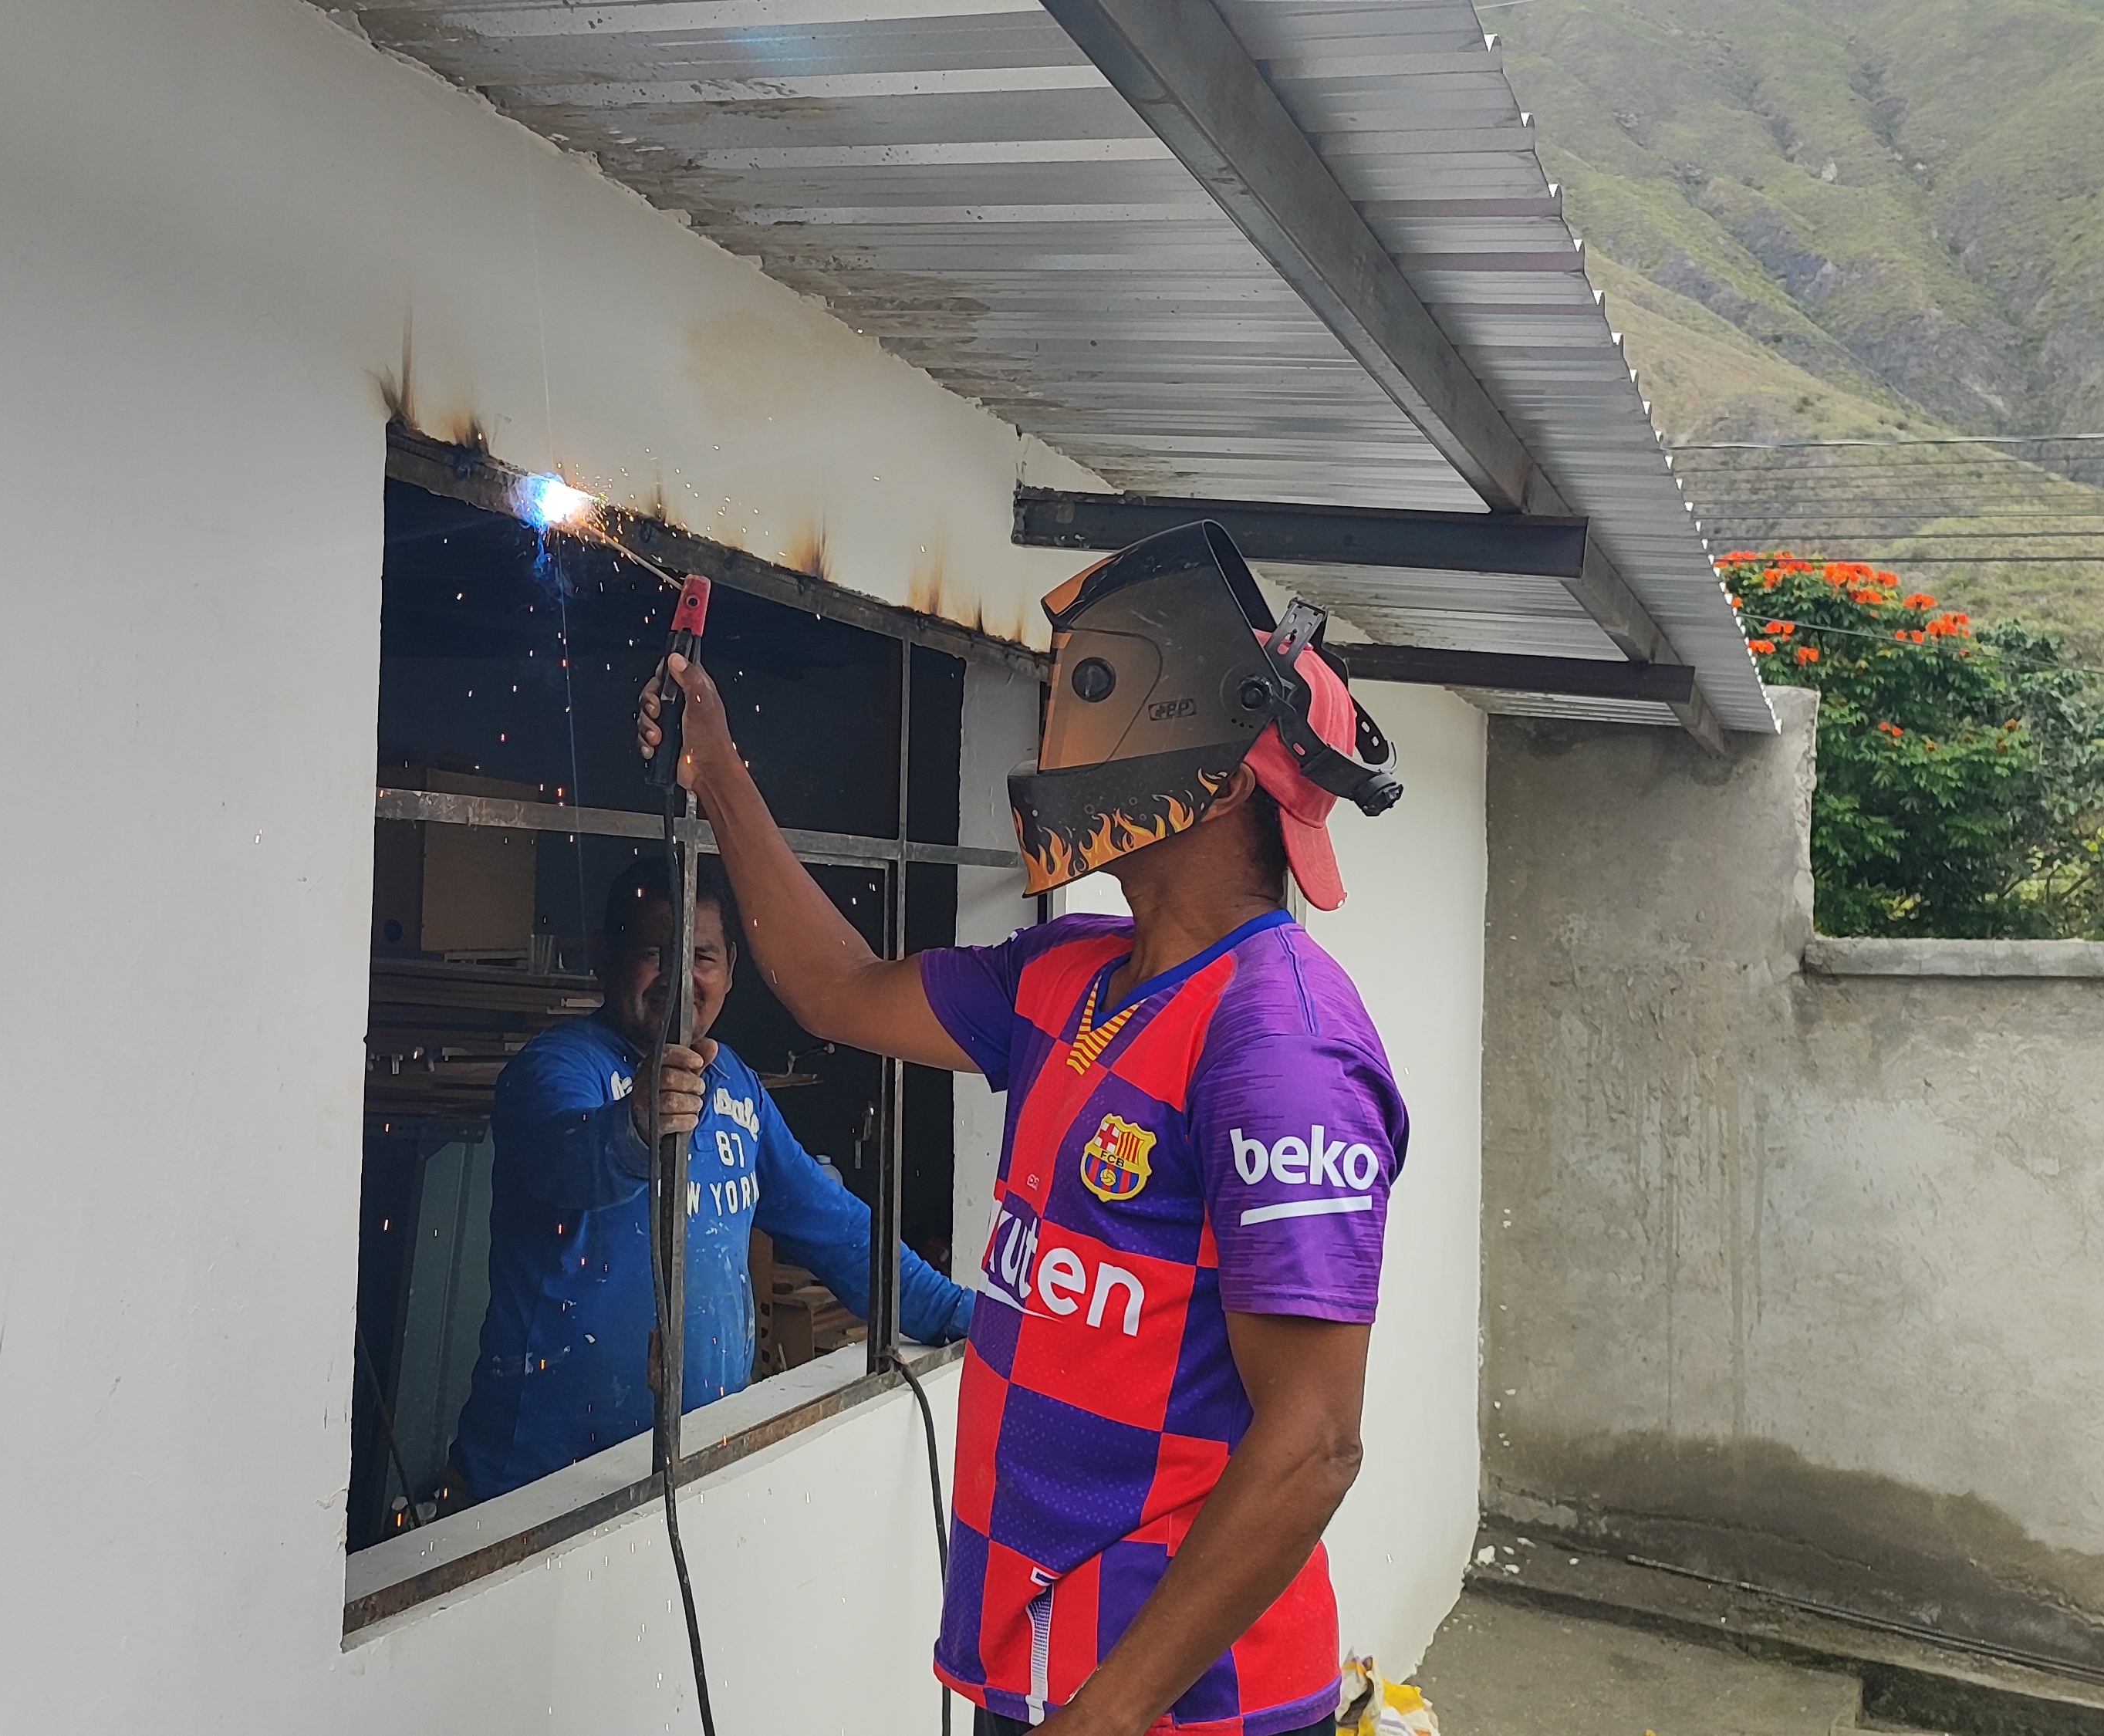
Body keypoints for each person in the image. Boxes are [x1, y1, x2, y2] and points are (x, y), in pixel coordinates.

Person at [641, 523, 1410, 1736]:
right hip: (1046, 1665)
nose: (1070, 745)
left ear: (1217, 772)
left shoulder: (1280, 1047)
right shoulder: (1068, 975)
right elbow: (837, 988)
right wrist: (716, 768)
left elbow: (1315, 1442)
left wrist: (1101, 1719)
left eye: (1109, 710)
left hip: (1183, 1708)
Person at [448, 853, 971, 1502]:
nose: (680, 977)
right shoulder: (554, 1069)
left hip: (689, 1469)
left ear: (730, 971)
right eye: (654, 953)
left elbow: (838, 1231)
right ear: (604, 959)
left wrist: (960, 1315)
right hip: (538, 1486)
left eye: (702, 957)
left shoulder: (734, 1085)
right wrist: (635, 1129)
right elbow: (569, 1162)